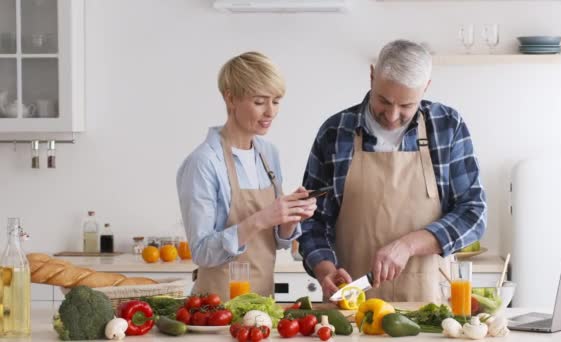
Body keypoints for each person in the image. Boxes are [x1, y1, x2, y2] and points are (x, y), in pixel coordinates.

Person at [299, 40, 487, 302]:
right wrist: (324, 269)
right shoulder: (335, 132)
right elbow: (311, 220)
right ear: (372, 75)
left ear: (426, 87)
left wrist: (408, 245)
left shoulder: (447, 126)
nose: (392, 115)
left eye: (406, 106)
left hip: (428, 306)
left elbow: (474, 213)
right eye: (384, 101)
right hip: (350, 304)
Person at [177, 51, 316, 300]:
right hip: (216, 308)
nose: (271, 112)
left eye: (276, 101)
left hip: (263, 303)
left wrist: (290, 216)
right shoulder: (203, 163)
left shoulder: (268, 153)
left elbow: (279, 243)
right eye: (260, 101)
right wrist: (261, 219)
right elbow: (201, 252)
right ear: (230, 98)